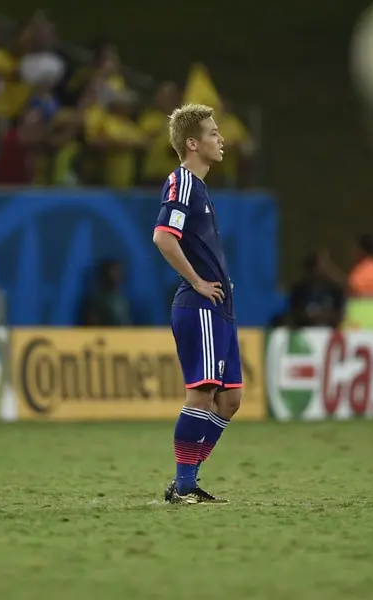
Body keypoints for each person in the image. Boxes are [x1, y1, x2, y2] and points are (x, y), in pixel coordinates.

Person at [151, 103, 239, 505]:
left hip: (220, 305)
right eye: (213, 133)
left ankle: (187, 480)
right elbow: (163, 237)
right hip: (198, 305)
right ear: (192, 143)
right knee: (202, 392)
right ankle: (184, 484)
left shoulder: (200, 188)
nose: (221, 139)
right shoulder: (183, 182)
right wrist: (198, 281)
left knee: (230, 400)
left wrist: (216, 277)